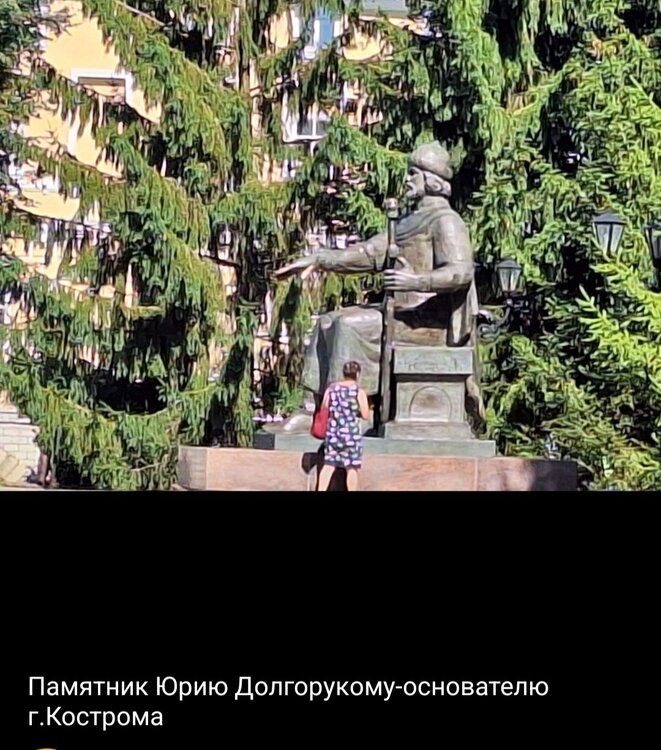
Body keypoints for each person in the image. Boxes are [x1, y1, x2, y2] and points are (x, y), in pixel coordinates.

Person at [273, 141, 484, 432]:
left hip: (426, 320)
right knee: (327, 321)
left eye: (413, 173)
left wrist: (416, 281)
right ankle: (311, 409)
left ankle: (349, 414)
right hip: (401, 314)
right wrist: (320, 259)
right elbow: (368, 253)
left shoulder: (446, 221)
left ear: (431, 180)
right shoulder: (408, 221)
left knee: (348, 325)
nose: (407, 180)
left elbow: (461, 272)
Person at [317, 360, 370, 492]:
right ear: (357, 374)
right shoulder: (358, 392)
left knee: (329, 465)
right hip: (351, 435)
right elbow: (365, 415)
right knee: (351, 468)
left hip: (333, 433)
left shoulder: (331, 389)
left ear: (344, 373)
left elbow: (324, 407)